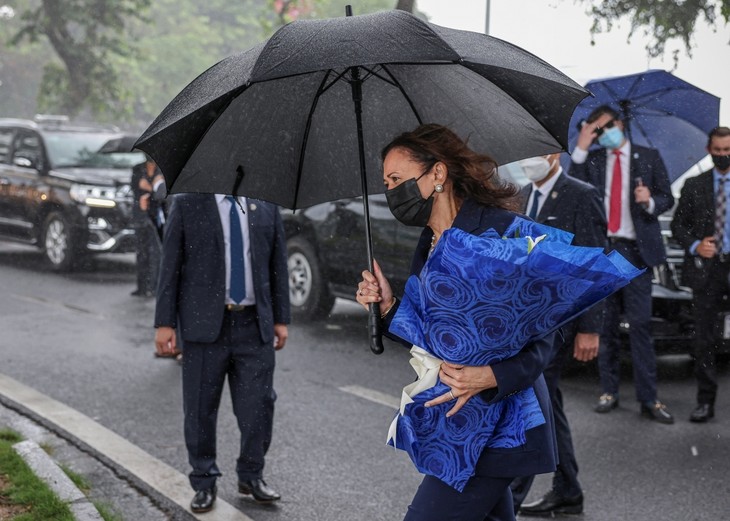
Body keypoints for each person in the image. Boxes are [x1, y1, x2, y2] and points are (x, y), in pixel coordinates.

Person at [356, 124, 560, 521]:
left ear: (437, 174)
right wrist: (388, 306)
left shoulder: (499, 231)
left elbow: (546, 332)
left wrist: (494, 375)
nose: (391, 191)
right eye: (385, 182)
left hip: (503, 425)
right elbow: (435, 339)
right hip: (461, 427)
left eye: (397, 179)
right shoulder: (427, 241)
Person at [154, 193, 290, 513]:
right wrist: (164, 323)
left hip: (254, 326)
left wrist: (281, 318)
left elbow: (277, 264)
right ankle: (203, 480)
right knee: (200, 410)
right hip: (203, 327)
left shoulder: (266, 203)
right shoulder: (188, 204)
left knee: (259, 406)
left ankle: (251, 474)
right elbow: (169, 264)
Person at [510, 153, 607, 517]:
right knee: (548, 406)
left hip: (561, 323)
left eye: (532, 156)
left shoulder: (581, 195)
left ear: (553, 154)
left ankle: (511, 498)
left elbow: (596, 264)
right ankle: (568, 490)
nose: (526, 163)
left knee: (531, 403)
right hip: (526, 323)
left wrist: (590, 328)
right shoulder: (520, 195)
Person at [570, 105, 675, 424]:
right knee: (606, 326)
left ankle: (648, 397)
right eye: (597, 130)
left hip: (635, 252)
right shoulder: (594, 160)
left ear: (621, 124)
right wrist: (582, 147)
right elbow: (572, 192)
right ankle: (609, 390)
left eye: (606, 128)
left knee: (641, 325)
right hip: (604, 252)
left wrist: (650, 201)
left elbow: (667, 198)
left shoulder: (649, 156)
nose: (604, 135)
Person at [670, 126, 730, 423]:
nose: (723, 155)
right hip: (707, 269)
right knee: (704, 338)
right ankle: (705, 402)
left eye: (727, 150)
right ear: (709, 150)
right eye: (718, 151)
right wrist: (695, 245)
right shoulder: (694, 185)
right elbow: (678, 226)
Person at [130, 154, 166, 298]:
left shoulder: (162, 171)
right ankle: (141, 286)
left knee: (156, 252)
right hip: (141, 214)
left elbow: (162, 193)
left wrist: (149, 189)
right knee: (141, 252)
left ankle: (154, 286)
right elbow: (134, 187)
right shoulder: (138, 169)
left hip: (156, 215)